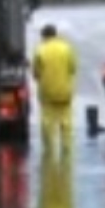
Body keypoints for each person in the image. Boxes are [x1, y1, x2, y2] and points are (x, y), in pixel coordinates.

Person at [31, 23, 76, 151]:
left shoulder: (40, 50)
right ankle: (66, 147)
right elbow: (72, 69)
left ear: (43, 36)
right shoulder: (66, 48)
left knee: (47, 120)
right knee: (66, 120)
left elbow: (35, 73)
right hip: (65, 91)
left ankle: (49, 148)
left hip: (46, 92)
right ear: (56, 34)